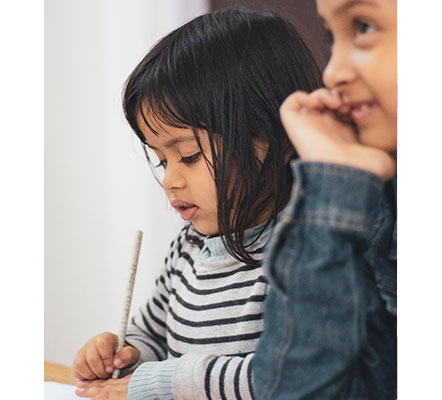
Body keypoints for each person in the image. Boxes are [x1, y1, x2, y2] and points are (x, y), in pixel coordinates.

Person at [72, 9, 322, 400]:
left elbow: (288, 375)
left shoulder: (309, 251)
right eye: (161, 159)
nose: (170, 179)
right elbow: (152, 331)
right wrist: (120, 353)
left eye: (187, 155)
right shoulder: (188, 247)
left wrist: (162, 382)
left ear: (277, 135)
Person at [252, 0, 397, 398]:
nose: (332, 72)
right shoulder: (383, 204)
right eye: (332, 36)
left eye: (364, 27)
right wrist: (336, 181)